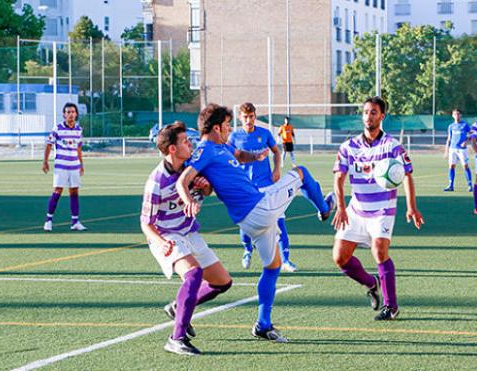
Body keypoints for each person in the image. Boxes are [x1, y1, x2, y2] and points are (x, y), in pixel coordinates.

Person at [177, 103, 334, 343]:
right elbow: (183, 180)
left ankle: (263, 324)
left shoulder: (222, 147)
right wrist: (189, 197)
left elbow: (238, 156)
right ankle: (324, 209)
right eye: (228, 125)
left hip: (250, 221)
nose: (231, 129)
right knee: (301, 172)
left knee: (273, 266)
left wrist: (256, 156)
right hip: (260, 208)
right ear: (217, 127)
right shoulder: (206, 150)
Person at [141, 121, 232, 356]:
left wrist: (205, 187)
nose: (189, 143)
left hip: (189, 232)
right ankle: (176, 338)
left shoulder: (190, 167)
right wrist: (161, 242)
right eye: (184, 141)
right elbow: (145, 223)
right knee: (193, 274)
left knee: (222, 282)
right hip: (166, 235)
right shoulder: (156, 181)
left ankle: (177, 307)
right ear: (172, 149)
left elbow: (206, 190)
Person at [332, 97, 424, 321]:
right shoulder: (348, 146)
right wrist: (342, 208)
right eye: (365, 112)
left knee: (379, 251)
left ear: (382, 116)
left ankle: (391, 306)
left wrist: (412, 207)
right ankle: (371, 283)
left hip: (383, 209)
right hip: (356, 209)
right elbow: (338, 179)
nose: (368, 116)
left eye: (373, 112)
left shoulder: (392, 146)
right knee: (340, 258)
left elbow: (407, 175)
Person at [228, 103, 298, 272]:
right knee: (245, 226)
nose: (248, 120)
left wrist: (276, 169)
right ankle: (247, 250)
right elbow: (229, 159)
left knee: (279, 222)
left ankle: (286, 261)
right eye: (245, 117)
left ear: (255, 116)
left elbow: (276, 151)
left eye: (251, 116)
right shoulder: (235, 137)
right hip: (247, 189)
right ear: (240, 118)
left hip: (267, 186)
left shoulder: (264, 134)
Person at [42, 103, 87, 231]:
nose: (70, 114)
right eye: (68, 112)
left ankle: (75, 222)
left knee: (74, 192)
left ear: (76, 114)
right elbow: (49, 144)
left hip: (74, 166)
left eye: (73, 112)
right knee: (57, 191)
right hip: (61, 166)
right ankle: (48, 221)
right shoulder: (57, 129)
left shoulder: (79, 130)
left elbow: (79, 148)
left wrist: (81, 164)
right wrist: (45, 161)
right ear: (64, 114)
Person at [444, 108, 473, 192]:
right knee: (451, 166)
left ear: (461, 115)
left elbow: (472, 133)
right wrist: (446, 150)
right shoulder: (451, 126)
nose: (457, 116)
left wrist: (466, 141)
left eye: (458, 114)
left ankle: (470, 185)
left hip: (462, 150)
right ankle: (451, 185)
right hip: (452, 149)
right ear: (453, 116)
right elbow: (449, 138)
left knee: (465, 166)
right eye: (455, 114)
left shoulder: (464, 125)